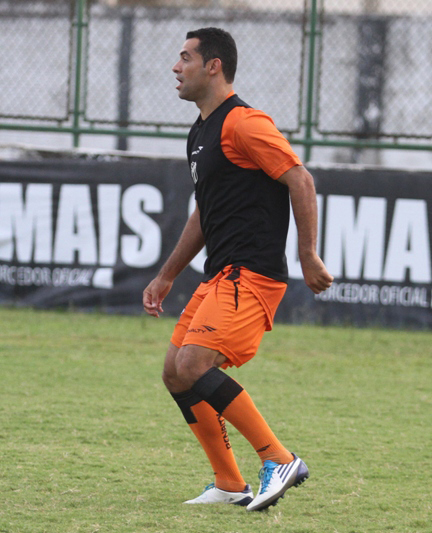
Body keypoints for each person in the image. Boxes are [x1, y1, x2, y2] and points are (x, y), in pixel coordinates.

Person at [142, 28, 333, 512]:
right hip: (220, 274)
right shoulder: (200, 131)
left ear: (214, 66)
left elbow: (300, 179)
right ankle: (230, 483)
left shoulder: (243, 123)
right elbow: (205, 213)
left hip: (253, 273)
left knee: (193, 365)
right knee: (175, 372)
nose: (175, 66)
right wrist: (167, 274)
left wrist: (308, 253)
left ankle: (280, 459)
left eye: (185, 57)